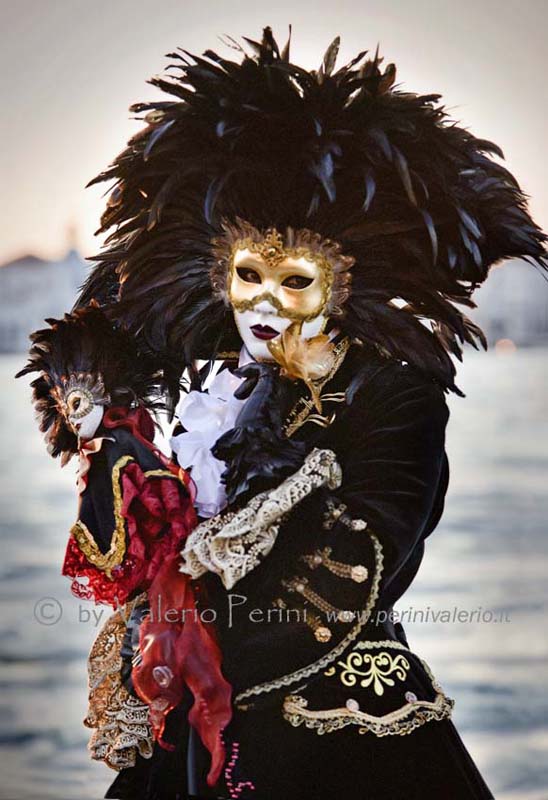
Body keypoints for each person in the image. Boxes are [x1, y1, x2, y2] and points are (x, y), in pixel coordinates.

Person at [71, 26, 548, 799]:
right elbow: (116, 561)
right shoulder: (206, 401)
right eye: (247, 273)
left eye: (292, 280)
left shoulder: (393, 392)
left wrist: (195, 631)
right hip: (187, 735)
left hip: (338, 731)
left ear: (344, 284)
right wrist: (113, 449)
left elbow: (352, 573)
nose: (261, 303)